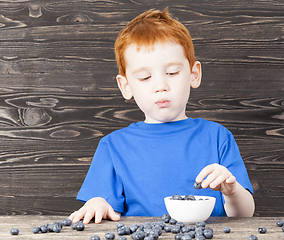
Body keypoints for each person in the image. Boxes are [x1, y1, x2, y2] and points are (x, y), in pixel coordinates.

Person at [69, 8, 255, 224]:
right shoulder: (113, 146)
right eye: (145, 77)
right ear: (126, 86)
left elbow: (245, 213)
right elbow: (100, 203)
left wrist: (231, 190)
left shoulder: (217, 137)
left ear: (194, 75)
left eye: (172, 73)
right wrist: (96, 204)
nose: (160, 86)